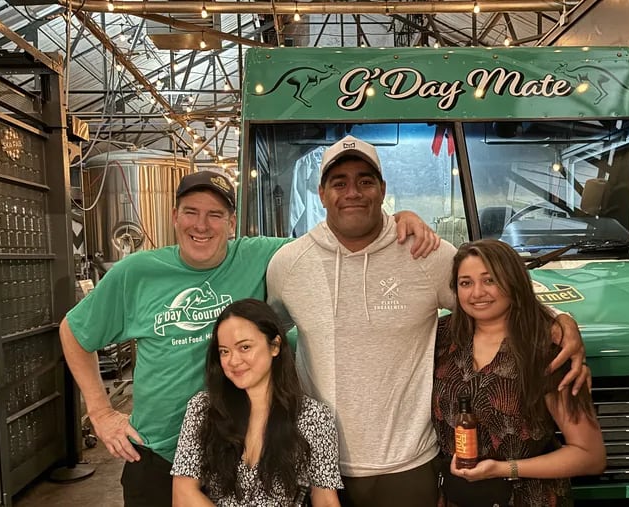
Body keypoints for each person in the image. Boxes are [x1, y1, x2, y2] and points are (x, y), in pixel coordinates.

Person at [59, 170, 438, 506]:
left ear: (232, 222)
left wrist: (396, 222)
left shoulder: (263, 256)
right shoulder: (137, 272)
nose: (201, 225)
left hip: (235, 450)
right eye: (191, 211)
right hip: (159, 451)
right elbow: (74, 333)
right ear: (174, 216)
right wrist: (101, 412)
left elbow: (339, 238)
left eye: (215, 215)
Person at [267, 135, 590, 507]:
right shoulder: (288, 265)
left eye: (365, 181)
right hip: (319, 465)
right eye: (339, 183)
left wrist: (560, 320)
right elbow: (265, 339)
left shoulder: (426, 253)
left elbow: (497, 297)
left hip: (410, 465)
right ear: (321, 193)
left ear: (383, 189)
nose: (352, 192)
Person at [432, 240, 607, 507]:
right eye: (465, 283)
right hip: (458, 498)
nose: (477, 292)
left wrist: (504, 469)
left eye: (489, 280)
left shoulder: (549, 349)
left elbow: (590, 455)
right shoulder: (442, 338)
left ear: (513, 283)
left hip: (530, 499)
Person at [171, 298, 343, 506]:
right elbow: (183, 494)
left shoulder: (314, 417)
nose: (233, 361)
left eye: (244, 347)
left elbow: (325, 499)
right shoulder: (203, 409)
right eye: (224, 351)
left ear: (275, 346)